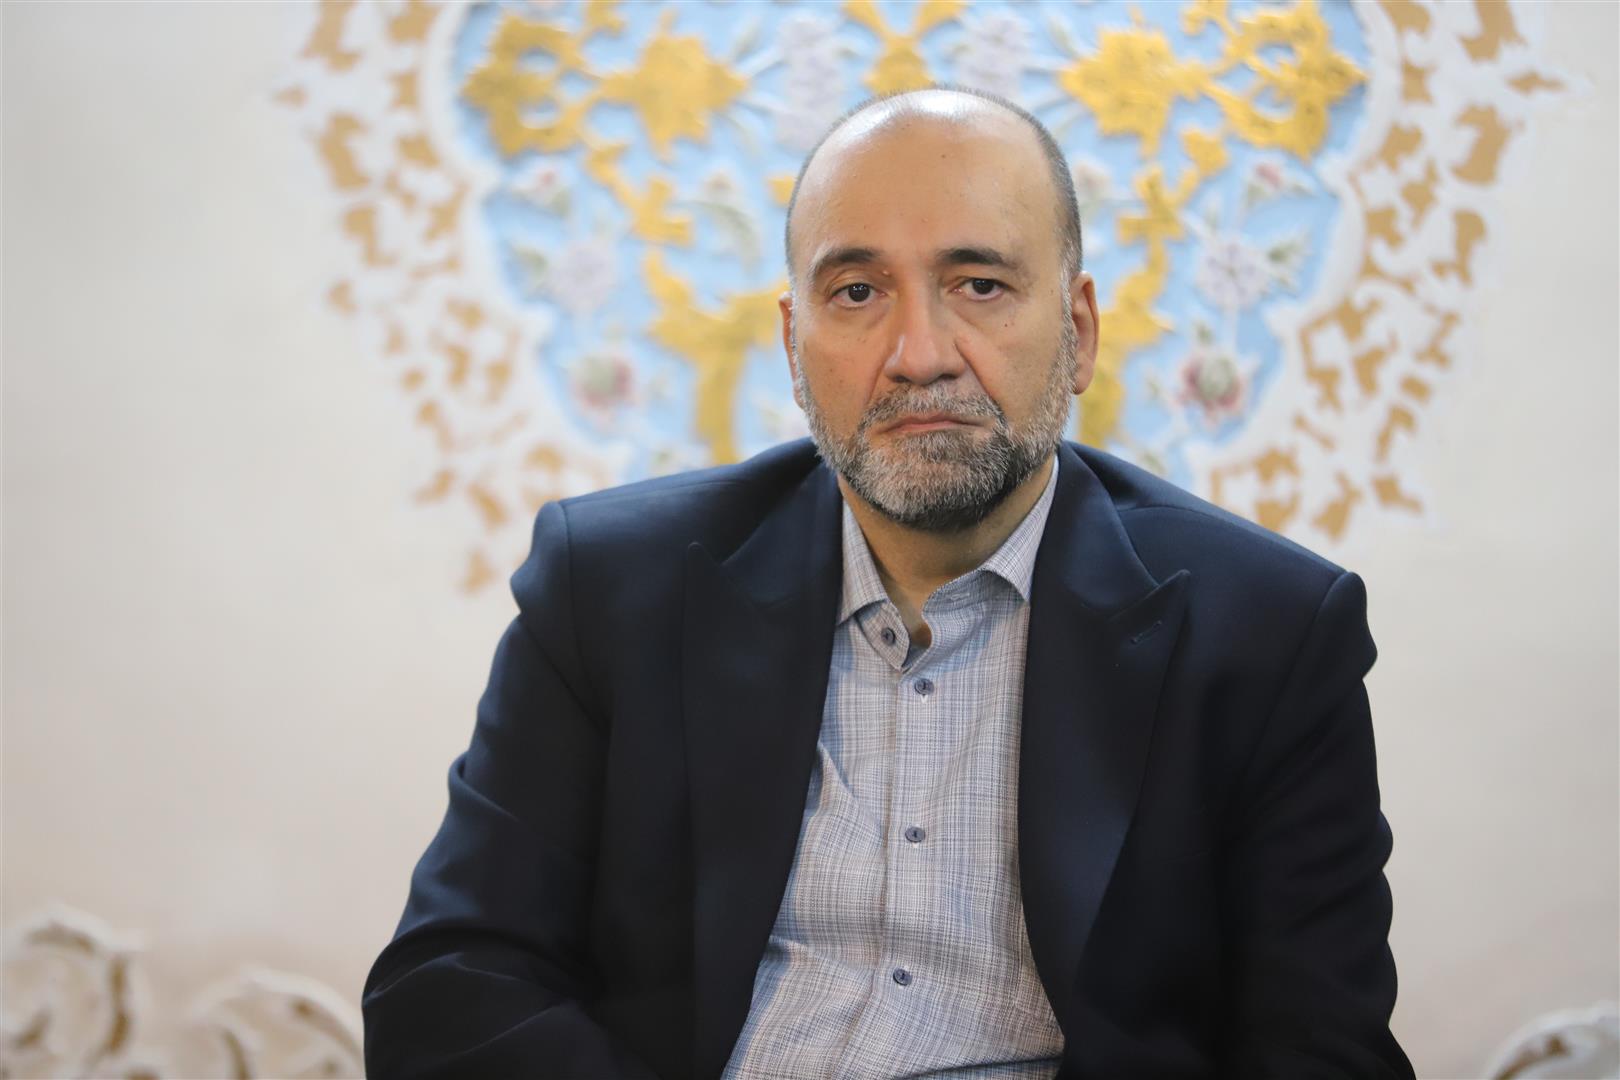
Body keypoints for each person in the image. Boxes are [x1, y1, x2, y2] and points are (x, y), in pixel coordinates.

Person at [363, 87, 1413, 1079]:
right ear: (793, 344)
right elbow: (450, 985)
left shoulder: (1269, 635)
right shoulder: (606, 589)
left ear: (1080, 331)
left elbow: (1319, 1054)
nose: (918, 355)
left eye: (980, 285)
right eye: (857, 292)